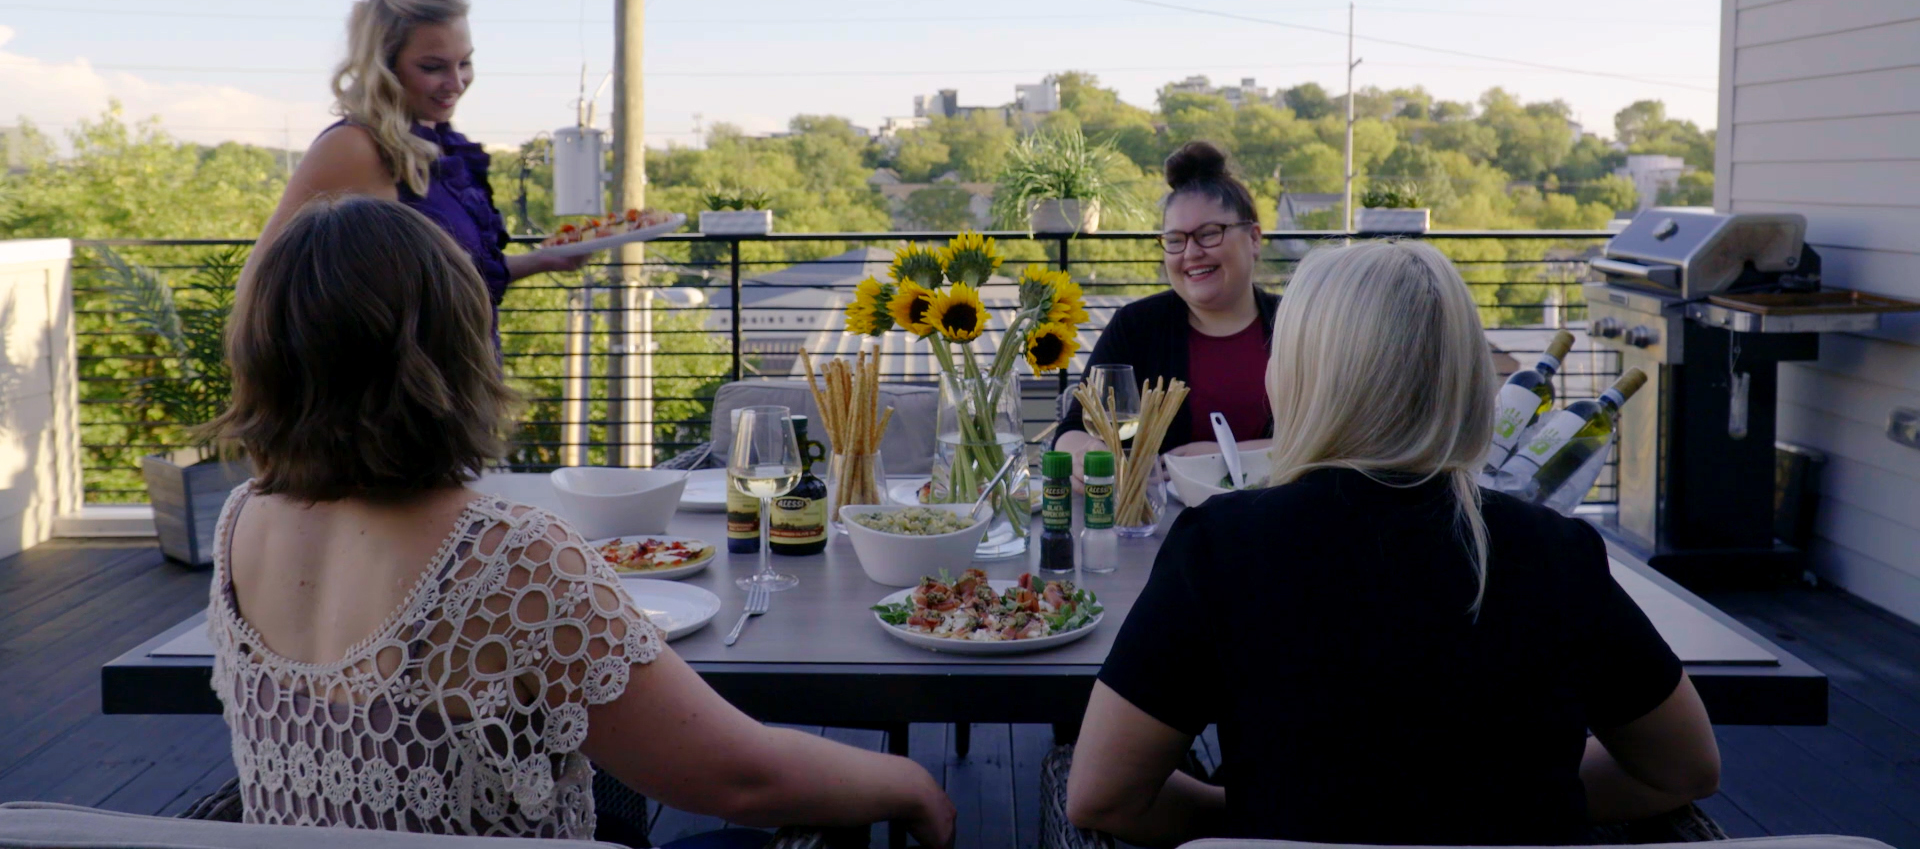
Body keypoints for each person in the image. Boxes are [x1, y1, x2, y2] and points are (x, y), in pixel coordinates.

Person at [204, 197, 954, 847]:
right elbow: (742, 780)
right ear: (451, 348)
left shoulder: (242, 523)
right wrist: (913, 782)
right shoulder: (505, 560)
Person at [1066, 240, 1720, 847]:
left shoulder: (1222, 547)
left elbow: (1104, 799)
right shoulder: (1556, 553)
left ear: (1302, 377)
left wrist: (1238, 816)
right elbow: (1680, 771)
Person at [246, 0, 580, 308]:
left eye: (465, 62)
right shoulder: (355, 148)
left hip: (460, 361)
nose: (457, 82)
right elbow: (259, 285)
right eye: (433, 67)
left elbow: (458, 276)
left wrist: (545, 260)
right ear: (384, 66)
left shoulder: (437, 143)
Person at [1054, 141, 1277, 468]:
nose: (1190, 253)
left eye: (1209, 234)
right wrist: (1083, 455)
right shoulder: (1137, 325)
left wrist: (1221, 459)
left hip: (1279, 512)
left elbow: (1340, 440)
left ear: (1254, 238)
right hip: (1167, 518)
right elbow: (1074, 427)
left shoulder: (1299, 324)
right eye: (1175, 240)